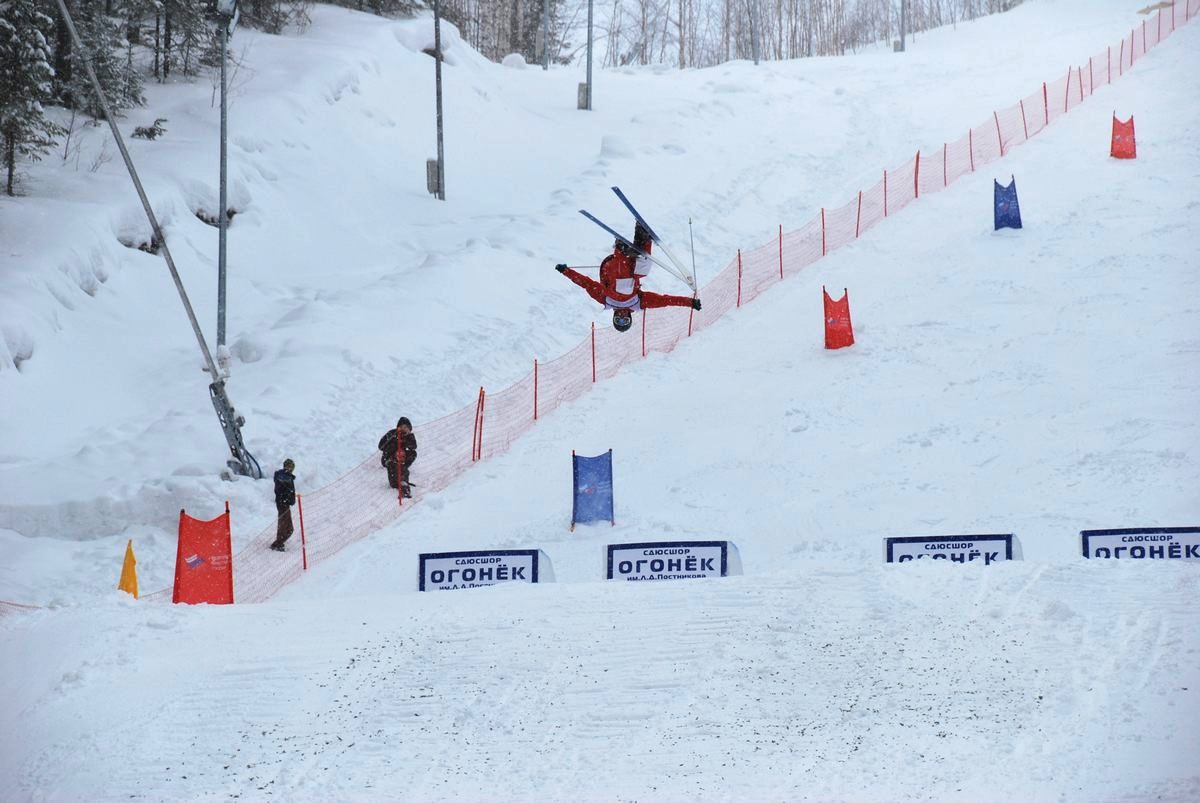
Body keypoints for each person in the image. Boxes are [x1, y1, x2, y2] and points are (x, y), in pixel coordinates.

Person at [557, 222, 700, 332]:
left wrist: (566, 271)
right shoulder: (638, 303)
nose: (621, 317)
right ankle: (642, 238)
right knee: (642, 272)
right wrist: (690, 303)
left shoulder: (604, 299)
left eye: (618, 320)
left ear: (614, 317)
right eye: (624, 321)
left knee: (622, 286)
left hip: (612, 267)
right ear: (629, 318)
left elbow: (585, 283)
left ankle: (622, 250)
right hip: (630, 266)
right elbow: (665, 300)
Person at [378, 417, 417, 497]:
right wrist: (394, 439)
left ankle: (403, 477)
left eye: (406, 427)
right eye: (401, 427)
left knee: (412, 453)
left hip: (401, 459)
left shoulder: (410, 436)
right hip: (389, 457)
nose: (404, 429)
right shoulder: (392, 433)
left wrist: (405, 441)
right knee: (394, 475)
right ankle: (400, 482)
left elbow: (414, 446)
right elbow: (381, 447)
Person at [270, 458, 296, 551]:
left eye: (292, 467)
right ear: (285, 466)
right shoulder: (284, 477)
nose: (291, 469)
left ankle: (278, 543)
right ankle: (278, 544)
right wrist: (289, 498)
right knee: (286, 526)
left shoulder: (286, 476)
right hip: (283, 504)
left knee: (287, 526)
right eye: (289, 466)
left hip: (284, 503)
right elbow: (285, 490)